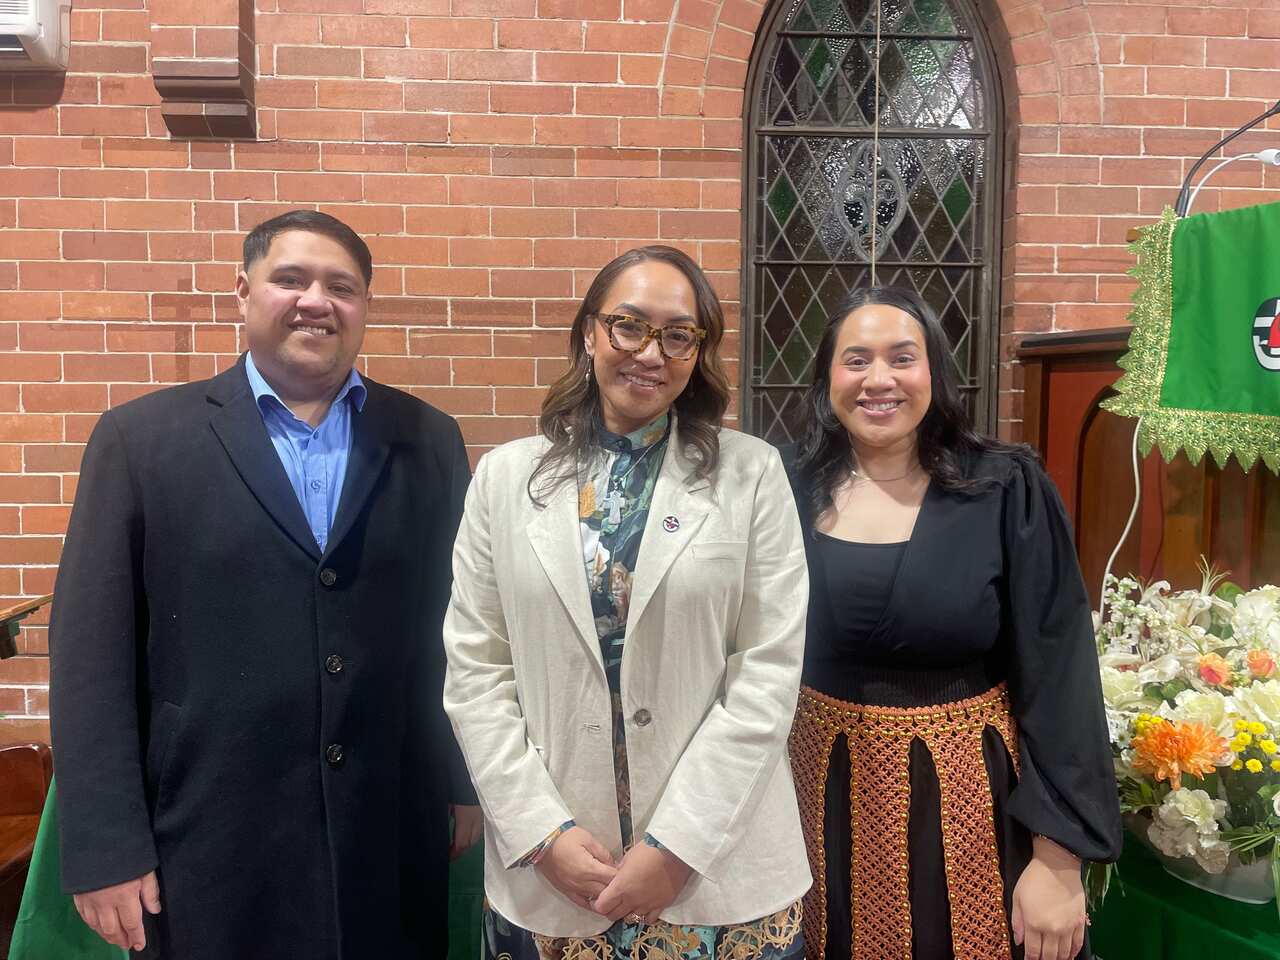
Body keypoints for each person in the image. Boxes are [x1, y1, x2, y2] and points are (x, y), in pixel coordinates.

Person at [49, 210, 482, 959]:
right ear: (243, 294)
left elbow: (453, 626)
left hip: (387, 832)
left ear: (365, 309)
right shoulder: (140, 442)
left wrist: (461, 780)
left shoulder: (428, 439)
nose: (317, 300)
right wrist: (104, 844)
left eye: (342, 287)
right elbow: (91, 658)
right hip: (210, 845)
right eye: (292, 279)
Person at [443, 245, 812, 960]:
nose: (650, 351)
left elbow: (767, 674)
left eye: (678, 334)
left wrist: (677, 846)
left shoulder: (751, 474)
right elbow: (476, 672)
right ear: (589, 333)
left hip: (719, 874)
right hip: (556, 875)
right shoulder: (504, 479)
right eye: (628, 326)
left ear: (697, 352)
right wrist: (542, 833)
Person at [786, 287, 1122, 960]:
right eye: (856, 360)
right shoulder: (784, 487)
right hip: (812, 806)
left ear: (933, 372)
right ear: (827, 379)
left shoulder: (1004, 487)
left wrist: (1058, 860)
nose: (878, 379)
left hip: (968, 805)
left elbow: (1060, 675)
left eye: (901, 358)